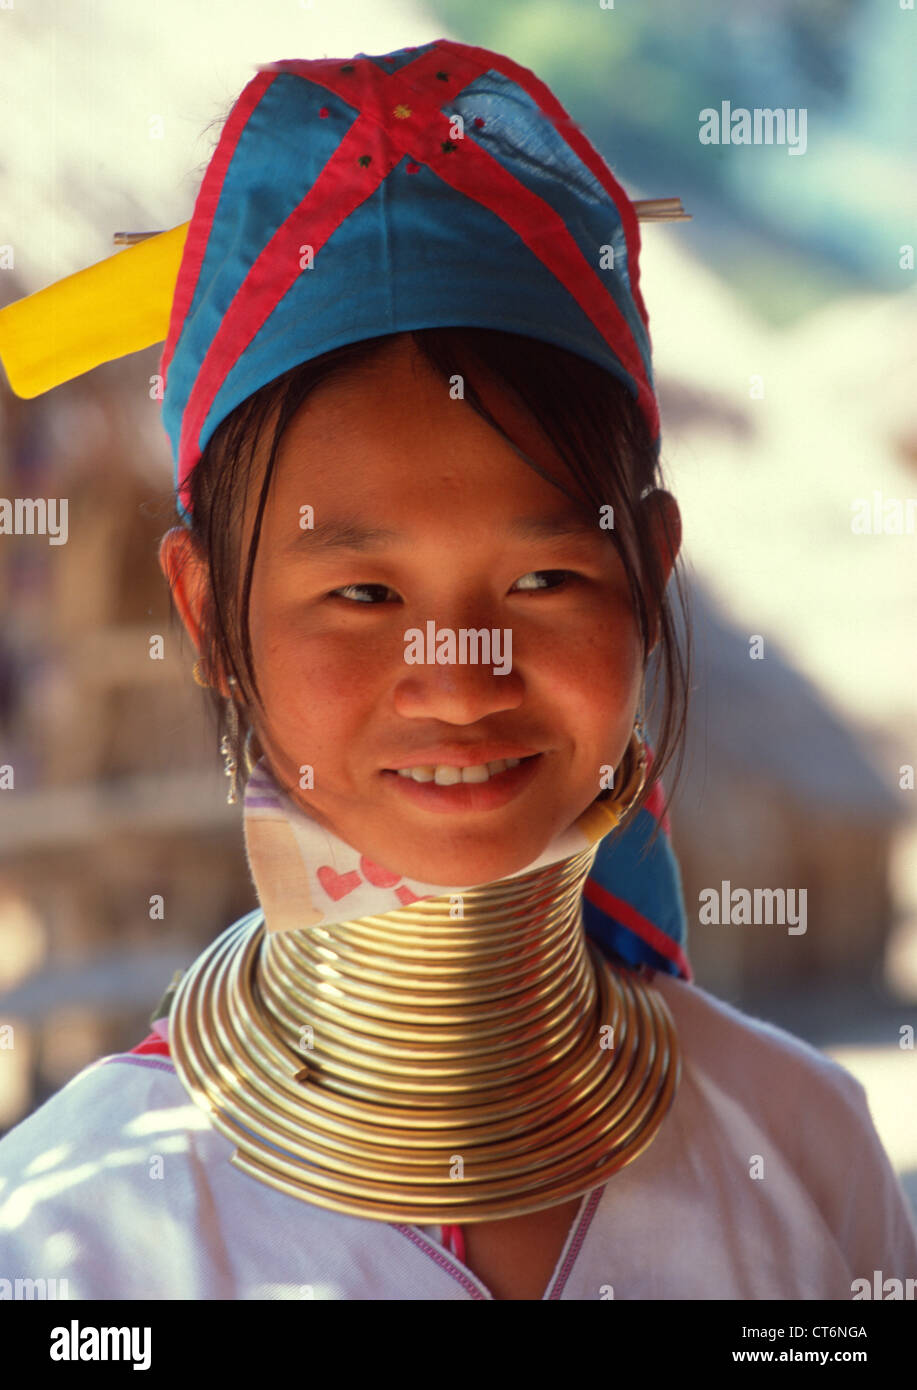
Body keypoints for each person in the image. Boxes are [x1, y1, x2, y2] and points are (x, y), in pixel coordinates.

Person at [0, 38, 914, 1302]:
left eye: (542, 579)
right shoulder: (73, 1245)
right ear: (209, 617)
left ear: (649, 574)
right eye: (363, 593)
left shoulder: (808, 1159)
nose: (459, 671)